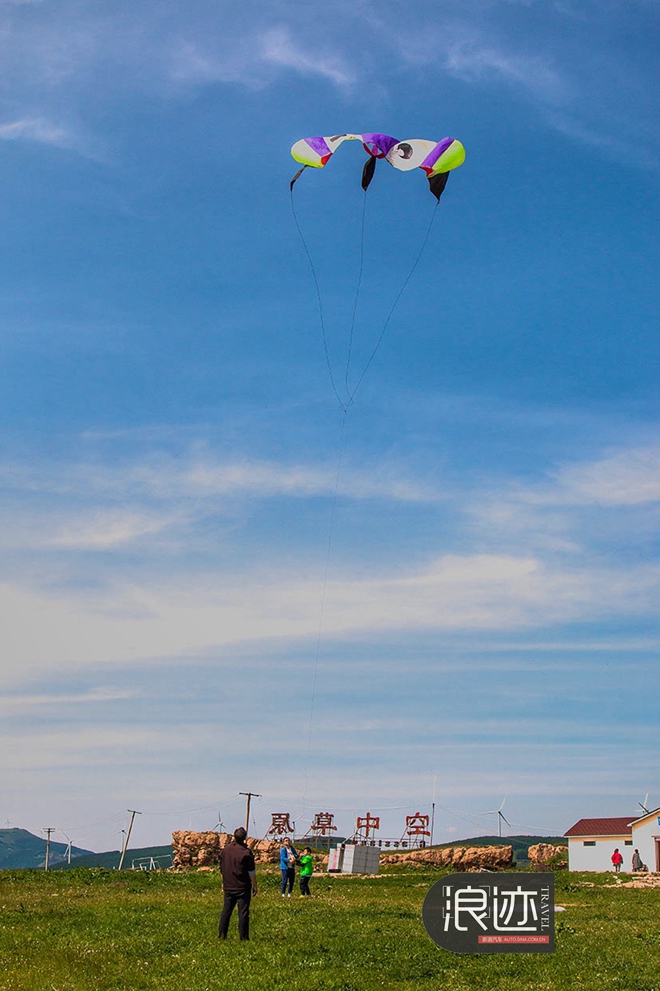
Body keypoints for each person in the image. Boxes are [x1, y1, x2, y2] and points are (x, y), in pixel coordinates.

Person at [218, 827, 258, 940]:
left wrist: (223, 883)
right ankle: (243, 937)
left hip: (228, 885)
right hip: (242, 886)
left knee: (226, 911)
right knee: (243, 912)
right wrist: (255, 885)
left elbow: (222, 868)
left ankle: (222, 935)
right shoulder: (246, 852)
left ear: (234, 836)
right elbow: (251, 871)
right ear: (245, 838)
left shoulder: (225, 850)